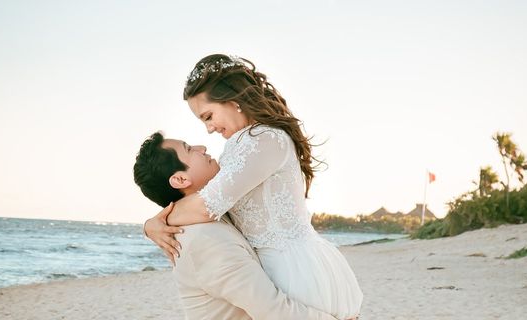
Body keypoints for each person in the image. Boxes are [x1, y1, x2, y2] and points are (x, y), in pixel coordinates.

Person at [144, 55, 362, 320]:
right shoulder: (237, 146)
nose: (209, 129)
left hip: (294, 269)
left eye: (209, 116)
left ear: (233, 100)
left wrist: (155, 222)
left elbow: (206, 206)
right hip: (270, 269)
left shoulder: (265, 140)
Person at [133, 131, 339, 320]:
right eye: (189, 149)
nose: (202, 147)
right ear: (180, 179)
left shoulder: (213, 214)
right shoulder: (206, 241)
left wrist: (149, 225)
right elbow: (274, 311)